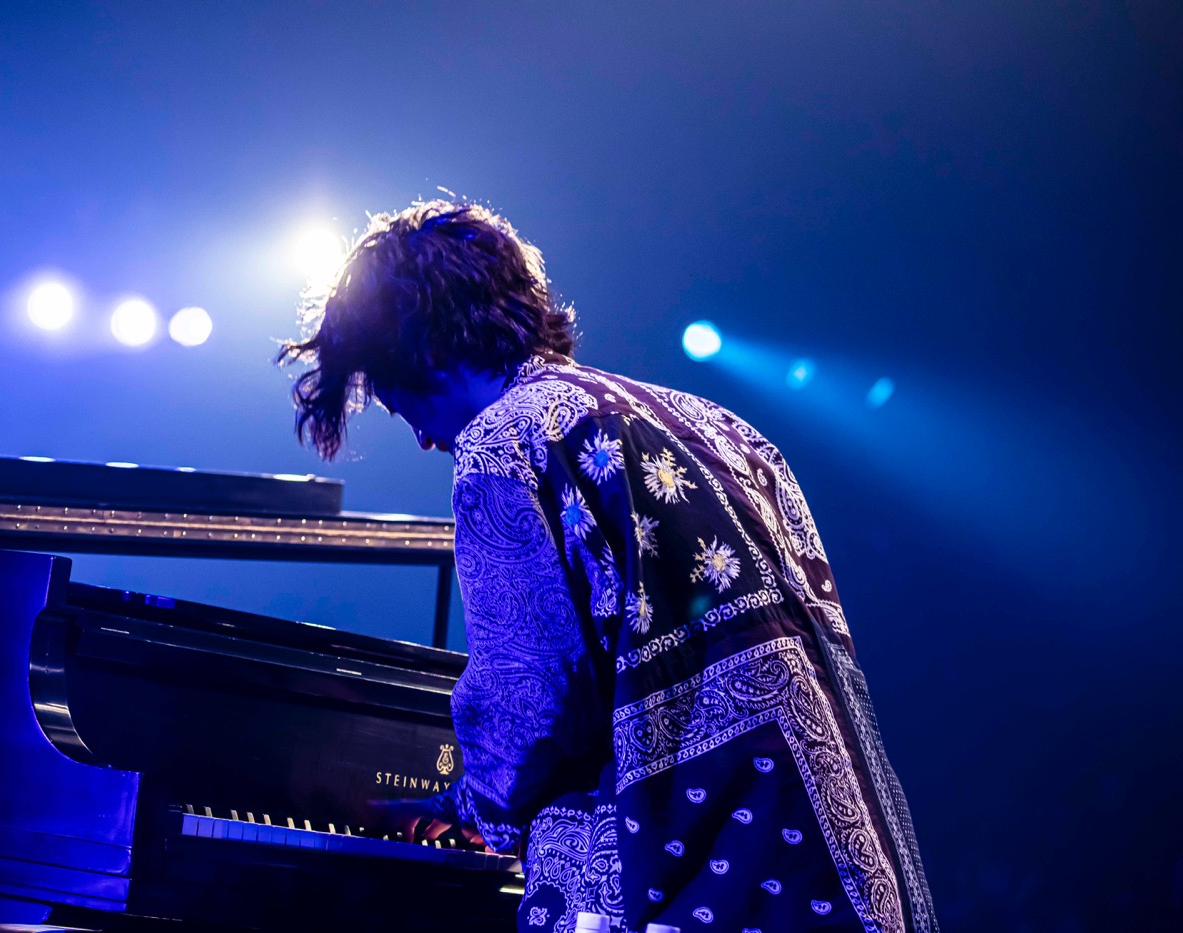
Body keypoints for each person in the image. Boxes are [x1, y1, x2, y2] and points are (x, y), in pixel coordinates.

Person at [277, 201, 938, 933]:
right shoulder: (722, 426)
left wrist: (463, 811)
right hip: (851, 876)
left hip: (689, 880)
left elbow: (533, 703)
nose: (423, 438)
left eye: (392, 397)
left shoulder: (504, 443)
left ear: (413, 349)